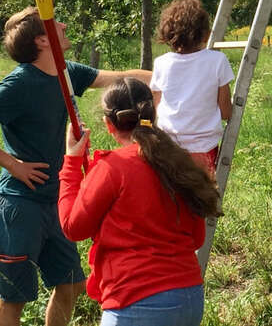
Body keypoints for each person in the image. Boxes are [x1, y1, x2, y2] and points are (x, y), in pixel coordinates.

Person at [0, 6, 152, 326]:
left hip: (55, 202)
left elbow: (119, 78)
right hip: (19, 206)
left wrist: (172, 73)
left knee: (71, 284)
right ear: (42, 41)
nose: (62, 23)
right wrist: (13, 165)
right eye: (54, 23)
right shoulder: (19, 84)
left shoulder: (66, 72)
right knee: (14, 297)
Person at [58, 78, 222, 326]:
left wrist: (72, 162)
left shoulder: (112, 168)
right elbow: (196, 238)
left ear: (108, 124)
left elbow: (73, 226)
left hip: (136, 301)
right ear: (152, 115)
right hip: (189, 297)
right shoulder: (180, 162)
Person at [149, 0, 233, 173]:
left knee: (172, 197)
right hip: (204, 148)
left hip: (168, 147)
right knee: (201, 197)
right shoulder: (217, 61)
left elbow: (157, 106)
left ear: (168, 33)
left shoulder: (161, 63)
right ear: (205, 33)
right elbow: (226, 113)